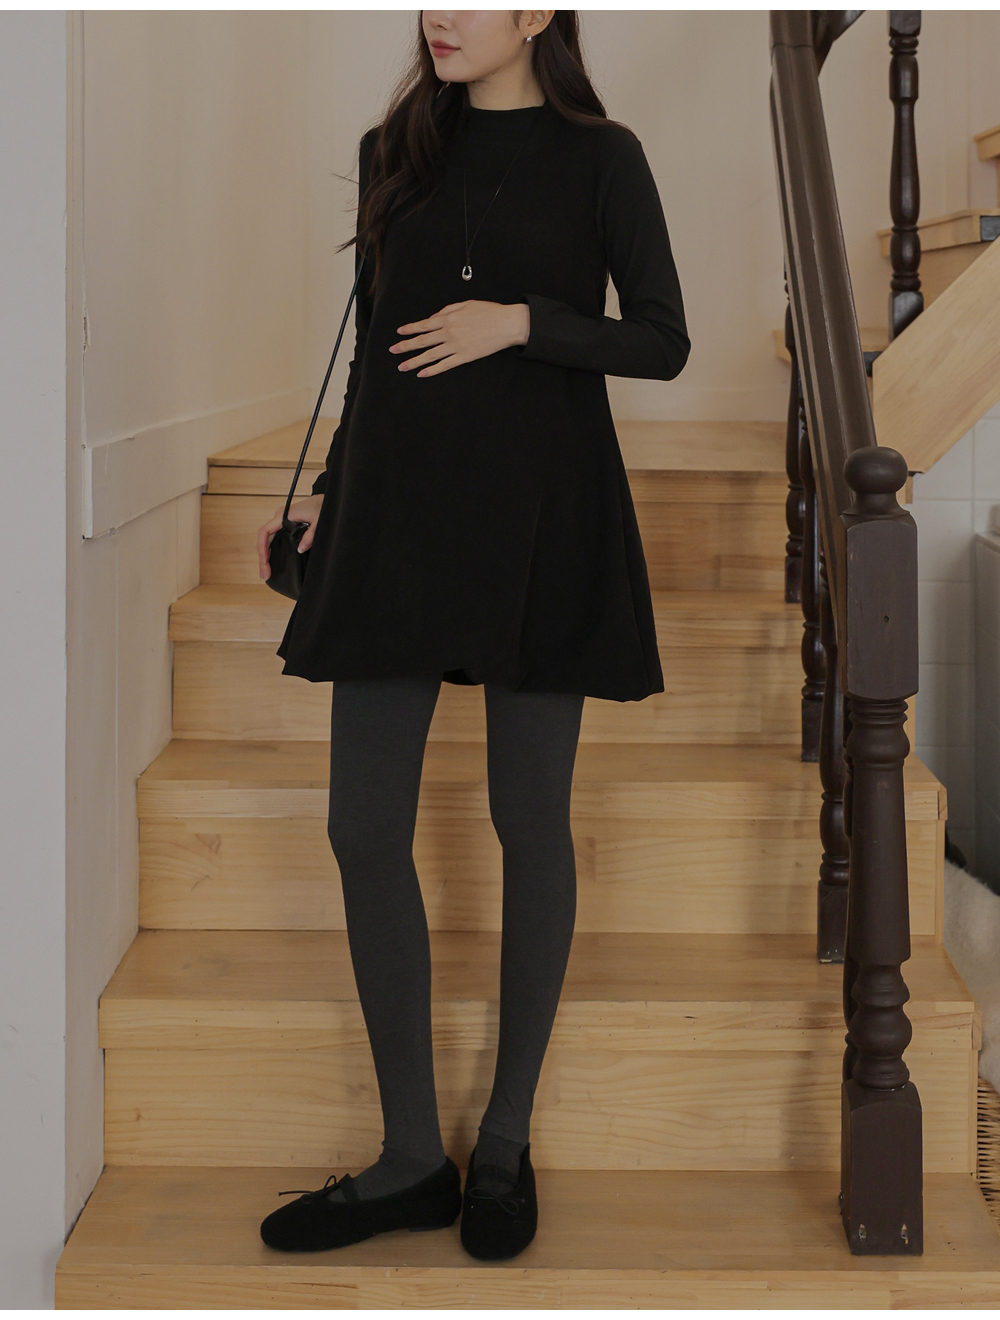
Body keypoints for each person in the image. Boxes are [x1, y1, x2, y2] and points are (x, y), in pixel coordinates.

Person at [256, 8, 689, 1262]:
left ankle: (503, 1143)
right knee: (361, 827)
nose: (437, 14)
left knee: (525, 820)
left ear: (540, 11)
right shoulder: (392, 146)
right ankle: (410, 1159)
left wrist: (521, 323)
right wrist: (331, 485)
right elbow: (375, 342)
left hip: (540, 517)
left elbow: (661, 340)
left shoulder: (603, 157)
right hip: (396, 514)